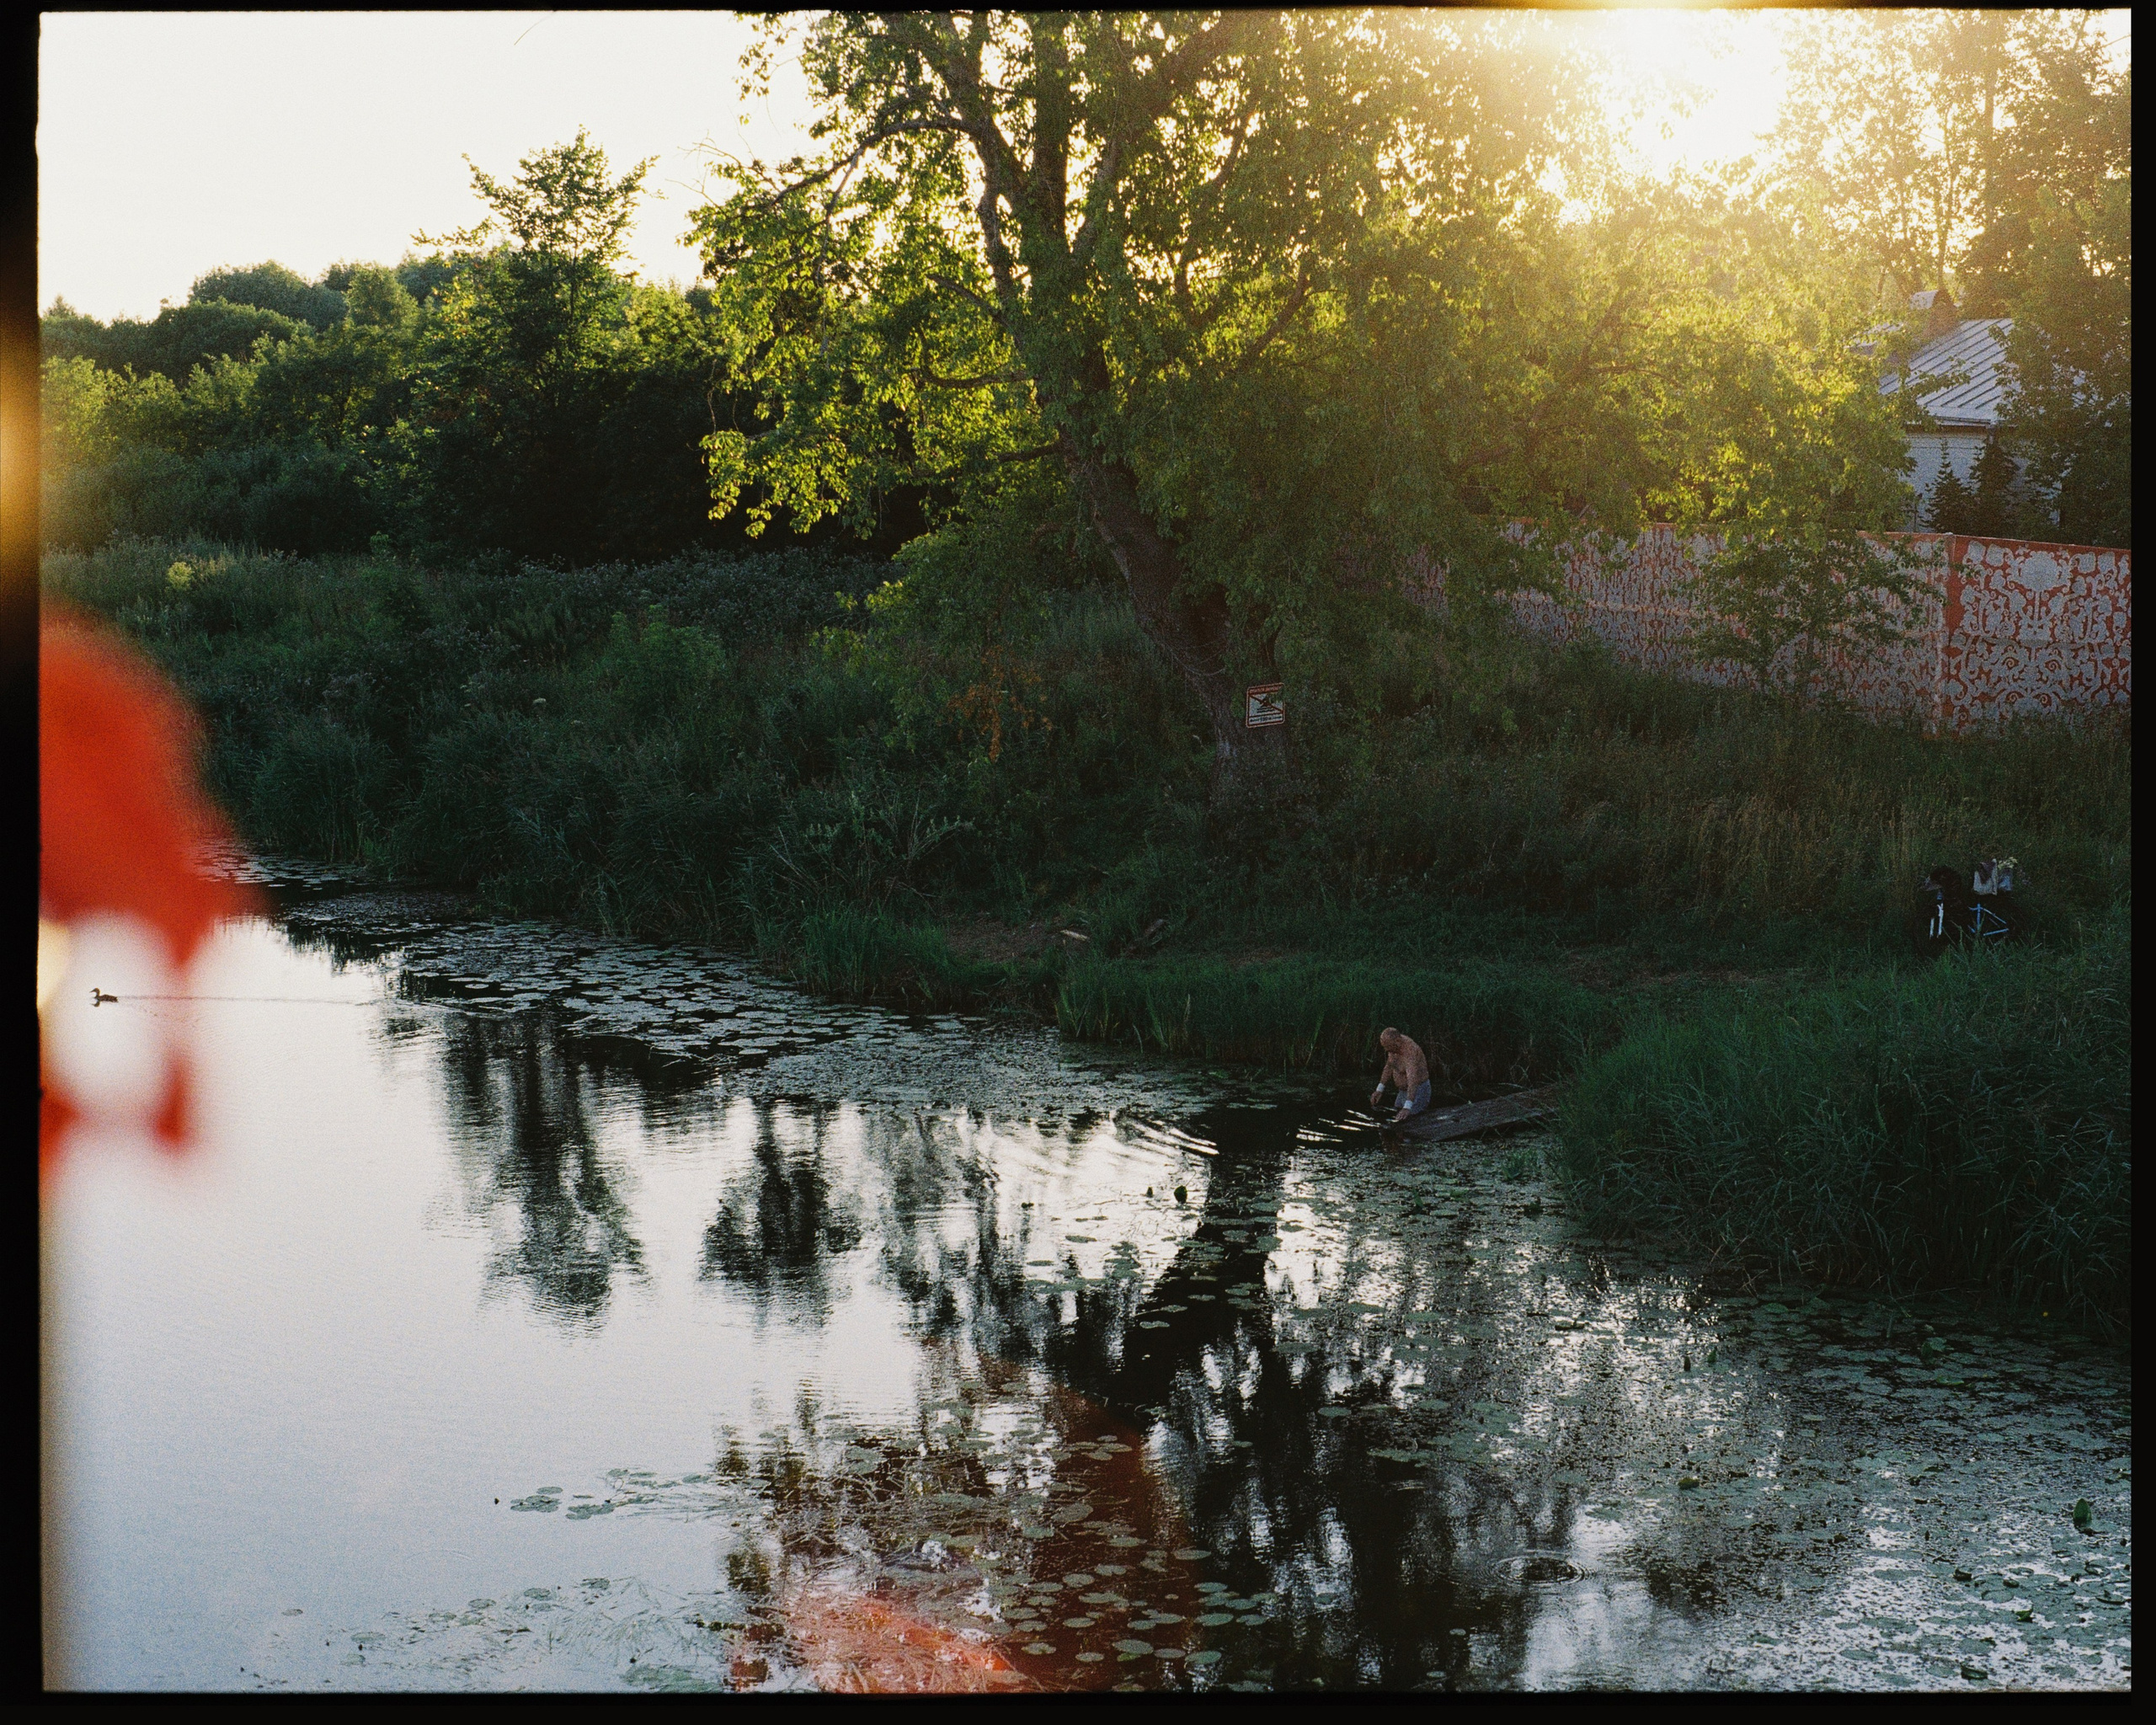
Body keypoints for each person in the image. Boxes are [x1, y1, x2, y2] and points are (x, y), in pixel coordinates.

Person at [1370, 1027, 1431, 1124]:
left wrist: (1407, 1106)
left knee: (1410, 1121)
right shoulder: (1393, 1047)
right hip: (1403, 1091)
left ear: (1397, 1042)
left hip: (1418, 1091)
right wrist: (1379, 1090)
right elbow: (1389, 1066)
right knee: (1398, 1116)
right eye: (1384, 1047)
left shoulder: (1410, 1051)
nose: (1386, 1050)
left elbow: (1413, 1080)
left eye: (1388, 1047)